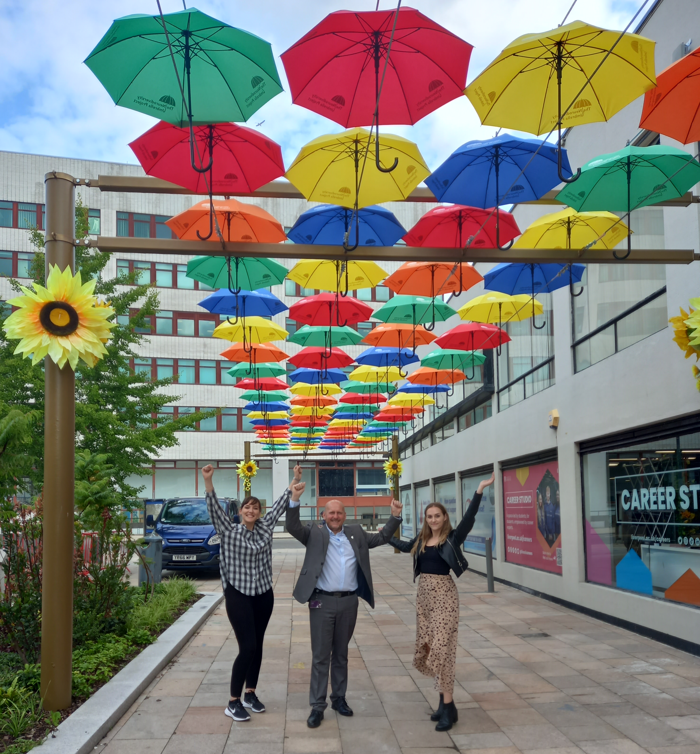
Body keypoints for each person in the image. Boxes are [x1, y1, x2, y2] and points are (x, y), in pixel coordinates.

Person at [286, 478, 403, 729]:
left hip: (349, 603)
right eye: (331, 513)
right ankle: (317, 707)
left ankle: (339, 698)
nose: (335, 516)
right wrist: (294, 499)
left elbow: (382, 537)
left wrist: (394, 516)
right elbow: (292, 526)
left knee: (341, 654)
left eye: (339, 512)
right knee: (320, 656)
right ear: (323, 515)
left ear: (345, 515)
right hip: (321, 602)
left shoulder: (356, 533)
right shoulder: (313, 533)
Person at [391, 473, 495, 732]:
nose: (433, 519)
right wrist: (376, 537)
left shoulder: (452, 537)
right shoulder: (422, 539)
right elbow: (404, 547)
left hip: (445, 597)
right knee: (430, 647)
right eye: (429, 516)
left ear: (444, 518)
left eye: (437, 515)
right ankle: (445, 705)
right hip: (424, 598)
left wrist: (480, 490)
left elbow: (470, 519)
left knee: (442, 650)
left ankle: (448, 707)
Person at [203, 463, 305, 722]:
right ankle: (233, 701)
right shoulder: (228, 530)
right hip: (238, 594)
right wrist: (208, 482)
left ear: (260, 512)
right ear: (240, 512)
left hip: (262, 594)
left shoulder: (265, 527)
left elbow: (282, 503)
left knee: (257, 645)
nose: (251, 510)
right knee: (246, 646)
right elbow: (214, 511)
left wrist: (294, 481)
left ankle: (250, 693)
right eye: (247, 507)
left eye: (255, 507)